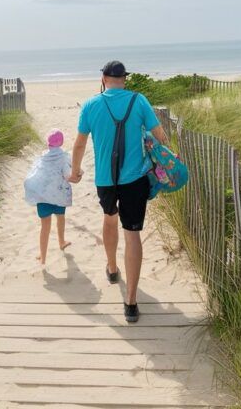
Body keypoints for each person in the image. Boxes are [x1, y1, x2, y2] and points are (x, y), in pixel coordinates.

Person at [69, 60, 169, 323]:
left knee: (109, 217)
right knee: (132, 234)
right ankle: (131, 302)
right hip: (135, 180)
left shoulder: (91, 105)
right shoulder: (139, 101)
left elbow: (79, 144)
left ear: (103, 78)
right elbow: (161, 137)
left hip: (105, 180)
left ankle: (112, 268)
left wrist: (75, 172)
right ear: (124, 79)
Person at [24, 129, 73, 265]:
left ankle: (43, 257)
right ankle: (61, 241)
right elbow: (68, 174)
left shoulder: (41, 158)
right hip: (59, 196)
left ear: (48, 144)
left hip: (43, 197)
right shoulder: (64, 157)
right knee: (61, 219)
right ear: (61, 143)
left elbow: (34, 173)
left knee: (45, 227)